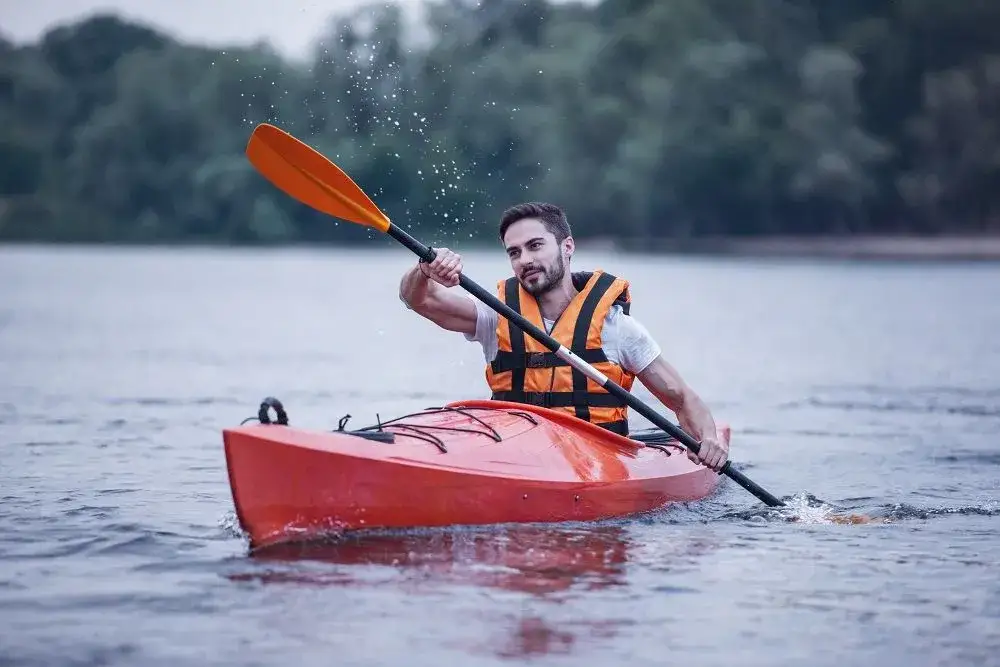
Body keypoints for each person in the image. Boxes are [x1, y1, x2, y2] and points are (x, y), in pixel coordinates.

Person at [398, 202, 729, 472]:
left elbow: (681, 398)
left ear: (567, 246)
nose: (525, 260)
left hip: (596, 462)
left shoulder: (617, 329)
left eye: (535, 246)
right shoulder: (495, 316)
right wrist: (424, 270)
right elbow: (419, 300)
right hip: (513, 456)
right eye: (514, 252)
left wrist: (709, 440)